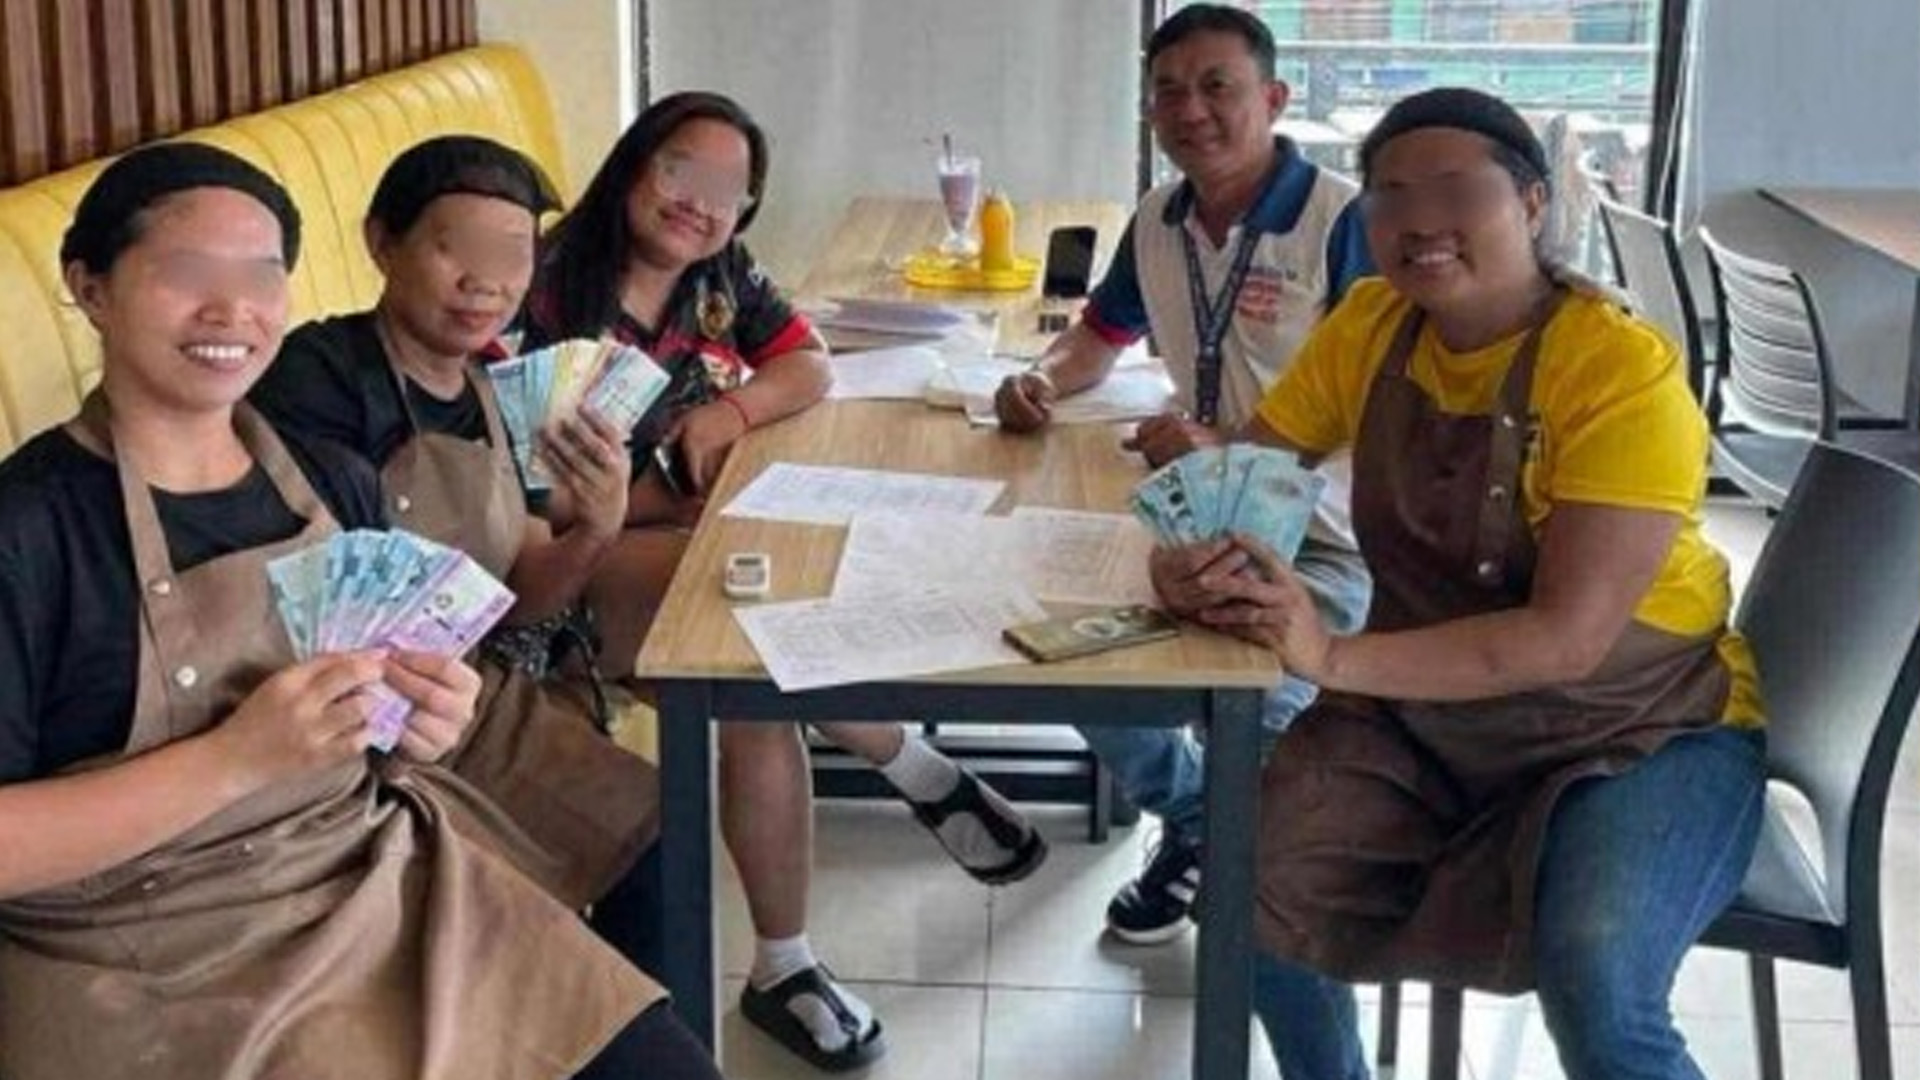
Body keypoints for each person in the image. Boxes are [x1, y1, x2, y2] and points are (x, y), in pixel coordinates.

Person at [0, 142, 720, 1080]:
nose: (231, 309)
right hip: (146, 948)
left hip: (362, 869)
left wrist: (424, 716)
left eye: (261, 274)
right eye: (186, 271)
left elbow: (384, 720)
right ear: (88, 285)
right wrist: (232, 760)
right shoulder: (28, 530)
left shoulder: (329, 481)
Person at [1159, 88, 1767, 1080]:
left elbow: (1566, 640)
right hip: (1424, 717)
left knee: (1599, 980)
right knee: (1244, 897)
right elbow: (1248, 481)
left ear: (1531, 201)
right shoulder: (1371, 325)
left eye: (1454, 189)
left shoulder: (1618, 370)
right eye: (1390, 196)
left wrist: (1329, 653)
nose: (1418, 221)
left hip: (1640, 729)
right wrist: (1193, 550)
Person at [526, 91, 1045, 1071]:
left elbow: (806, 361)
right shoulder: (546, 289)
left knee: (761, 668)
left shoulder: (715, 276)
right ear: (634, 164)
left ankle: (786, 961)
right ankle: (906, 766)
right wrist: (660, 494)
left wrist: (728, 416)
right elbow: (525, 497)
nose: (700, 202)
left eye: (729, 190)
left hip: (669, 534)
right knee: (749, 628)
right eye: (680, 172)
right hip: (553, 575)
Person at [994, 3, 1372, 948]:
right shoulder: (1158, 219)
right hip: (1190, 522)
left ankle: (1255, 892)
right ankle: (1202, 819)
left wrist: (1233, 446)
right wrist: (1039, 381)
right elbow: (1098, 336)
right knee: (1061, 653)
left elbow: (1385, 399)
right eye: (1169, 92)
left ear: (1273, 99)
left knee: (1264, 715)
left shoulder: (1341, 221)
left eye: (1216, 87)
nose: (1190, 110)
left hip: (1326, 536)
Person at [248, 136, 661, 962]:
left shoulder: (493, 390)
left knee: (654, 834)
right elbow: (308, 605)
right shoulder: (319, 377)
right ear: (382, 242)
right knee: (501, 913)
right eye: (455, 248)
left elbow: (524, 590)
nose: (486, 282)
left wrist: (597, 526)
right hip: (352, 727)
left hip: (472, 695)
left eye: (512, 255)